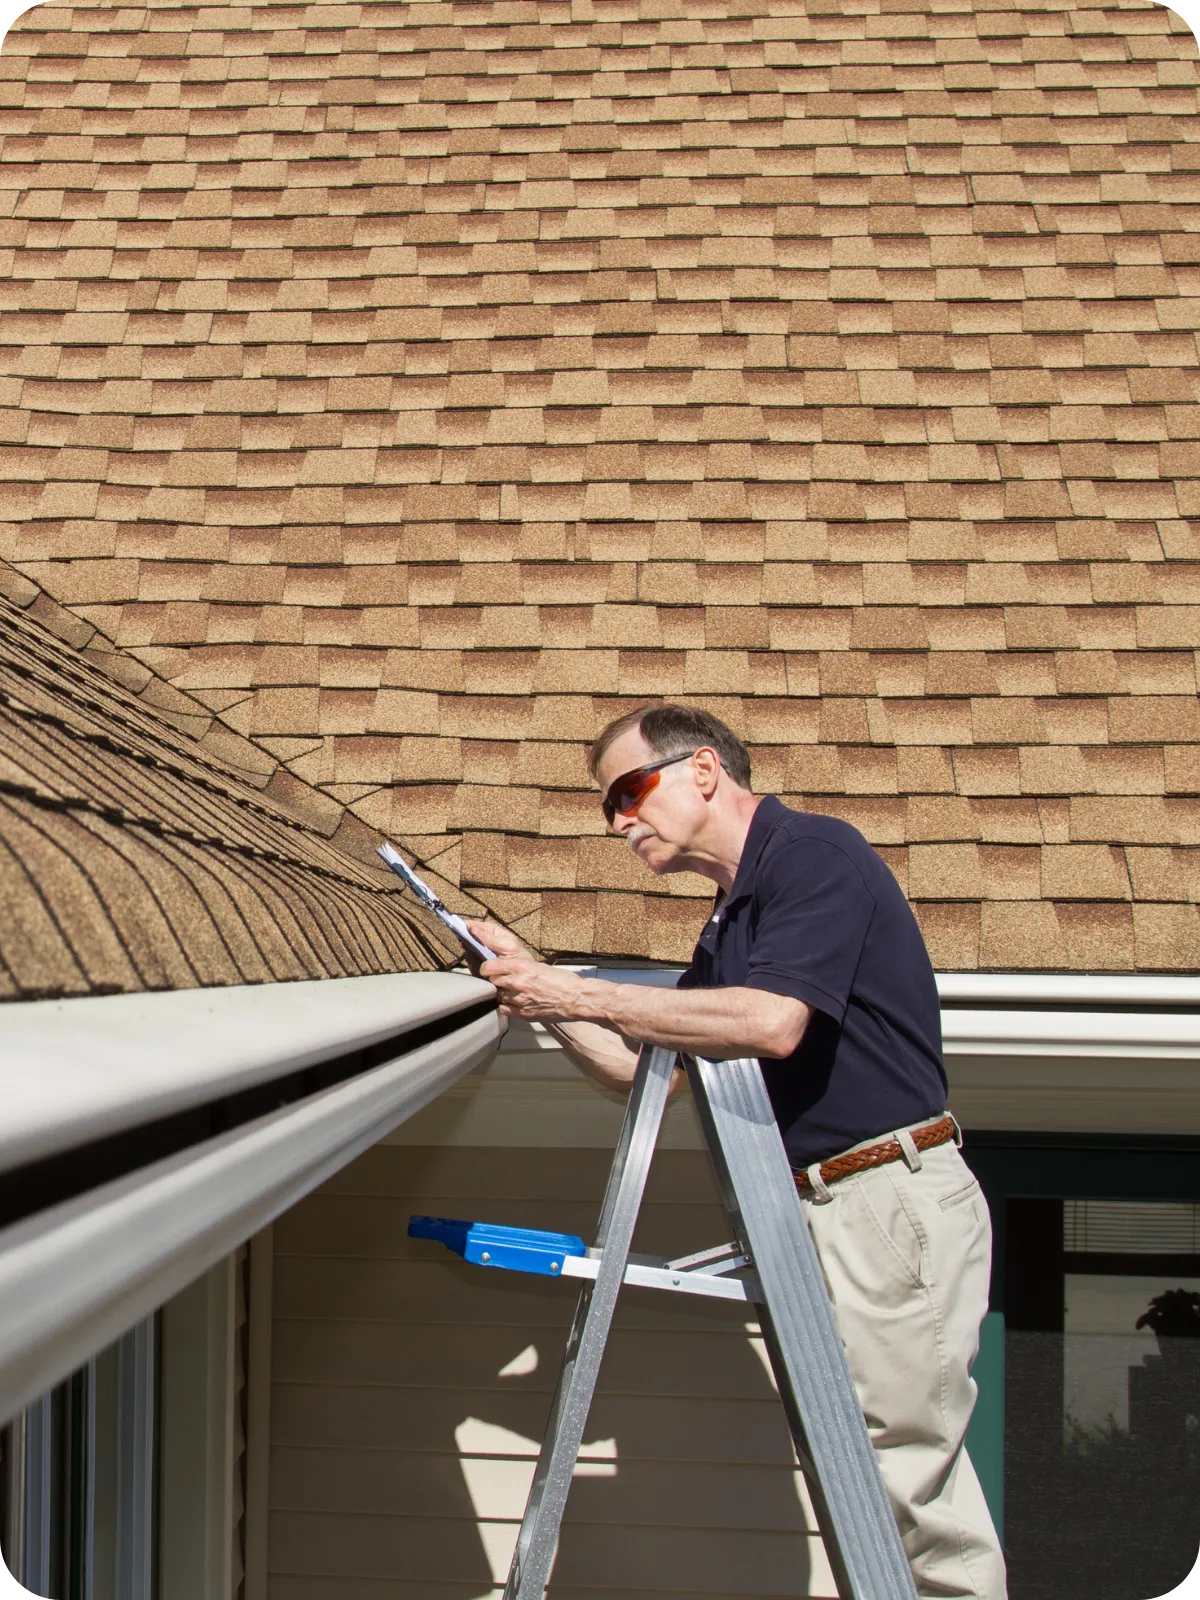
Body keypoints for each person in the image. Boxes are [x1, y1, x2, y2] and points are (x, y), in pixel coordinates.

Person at [465, 702, 1007, 1600]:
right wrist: (540, 985)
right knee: (864, 1486)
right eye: (608, 808)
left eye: (629, 792)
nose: (619, 821)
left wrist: (577, 992)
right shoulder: (735, 914)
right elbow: (652, 1072)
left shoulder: (815, 859)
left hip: (883, 1200)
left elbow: (769, 1024)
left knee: (911, 1493)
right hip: (825, 1205)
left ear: (704, 771)